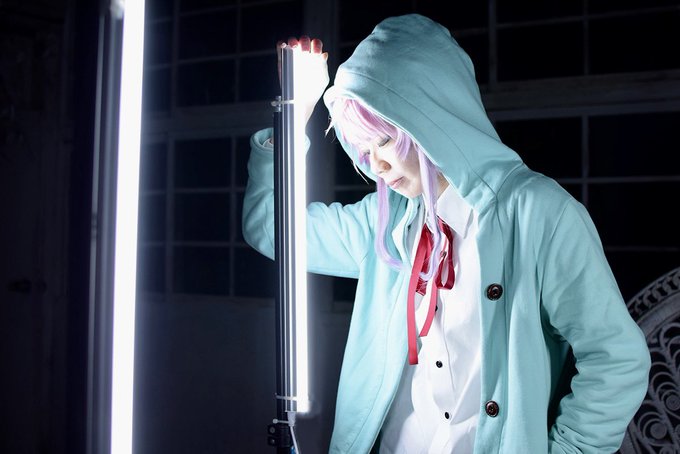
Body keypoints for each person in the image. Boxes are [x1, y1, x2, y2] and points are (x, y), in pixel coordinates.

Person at [242, 13, 650, 454]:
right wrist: (293, 114)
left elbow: (616, 358)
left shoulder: (538, 213)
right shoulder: (384, 222)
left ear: (431, 119)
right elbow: (269, 228)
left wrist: (570, 449)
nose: (375, 164)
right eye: (363, 146)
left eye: (384, 140)